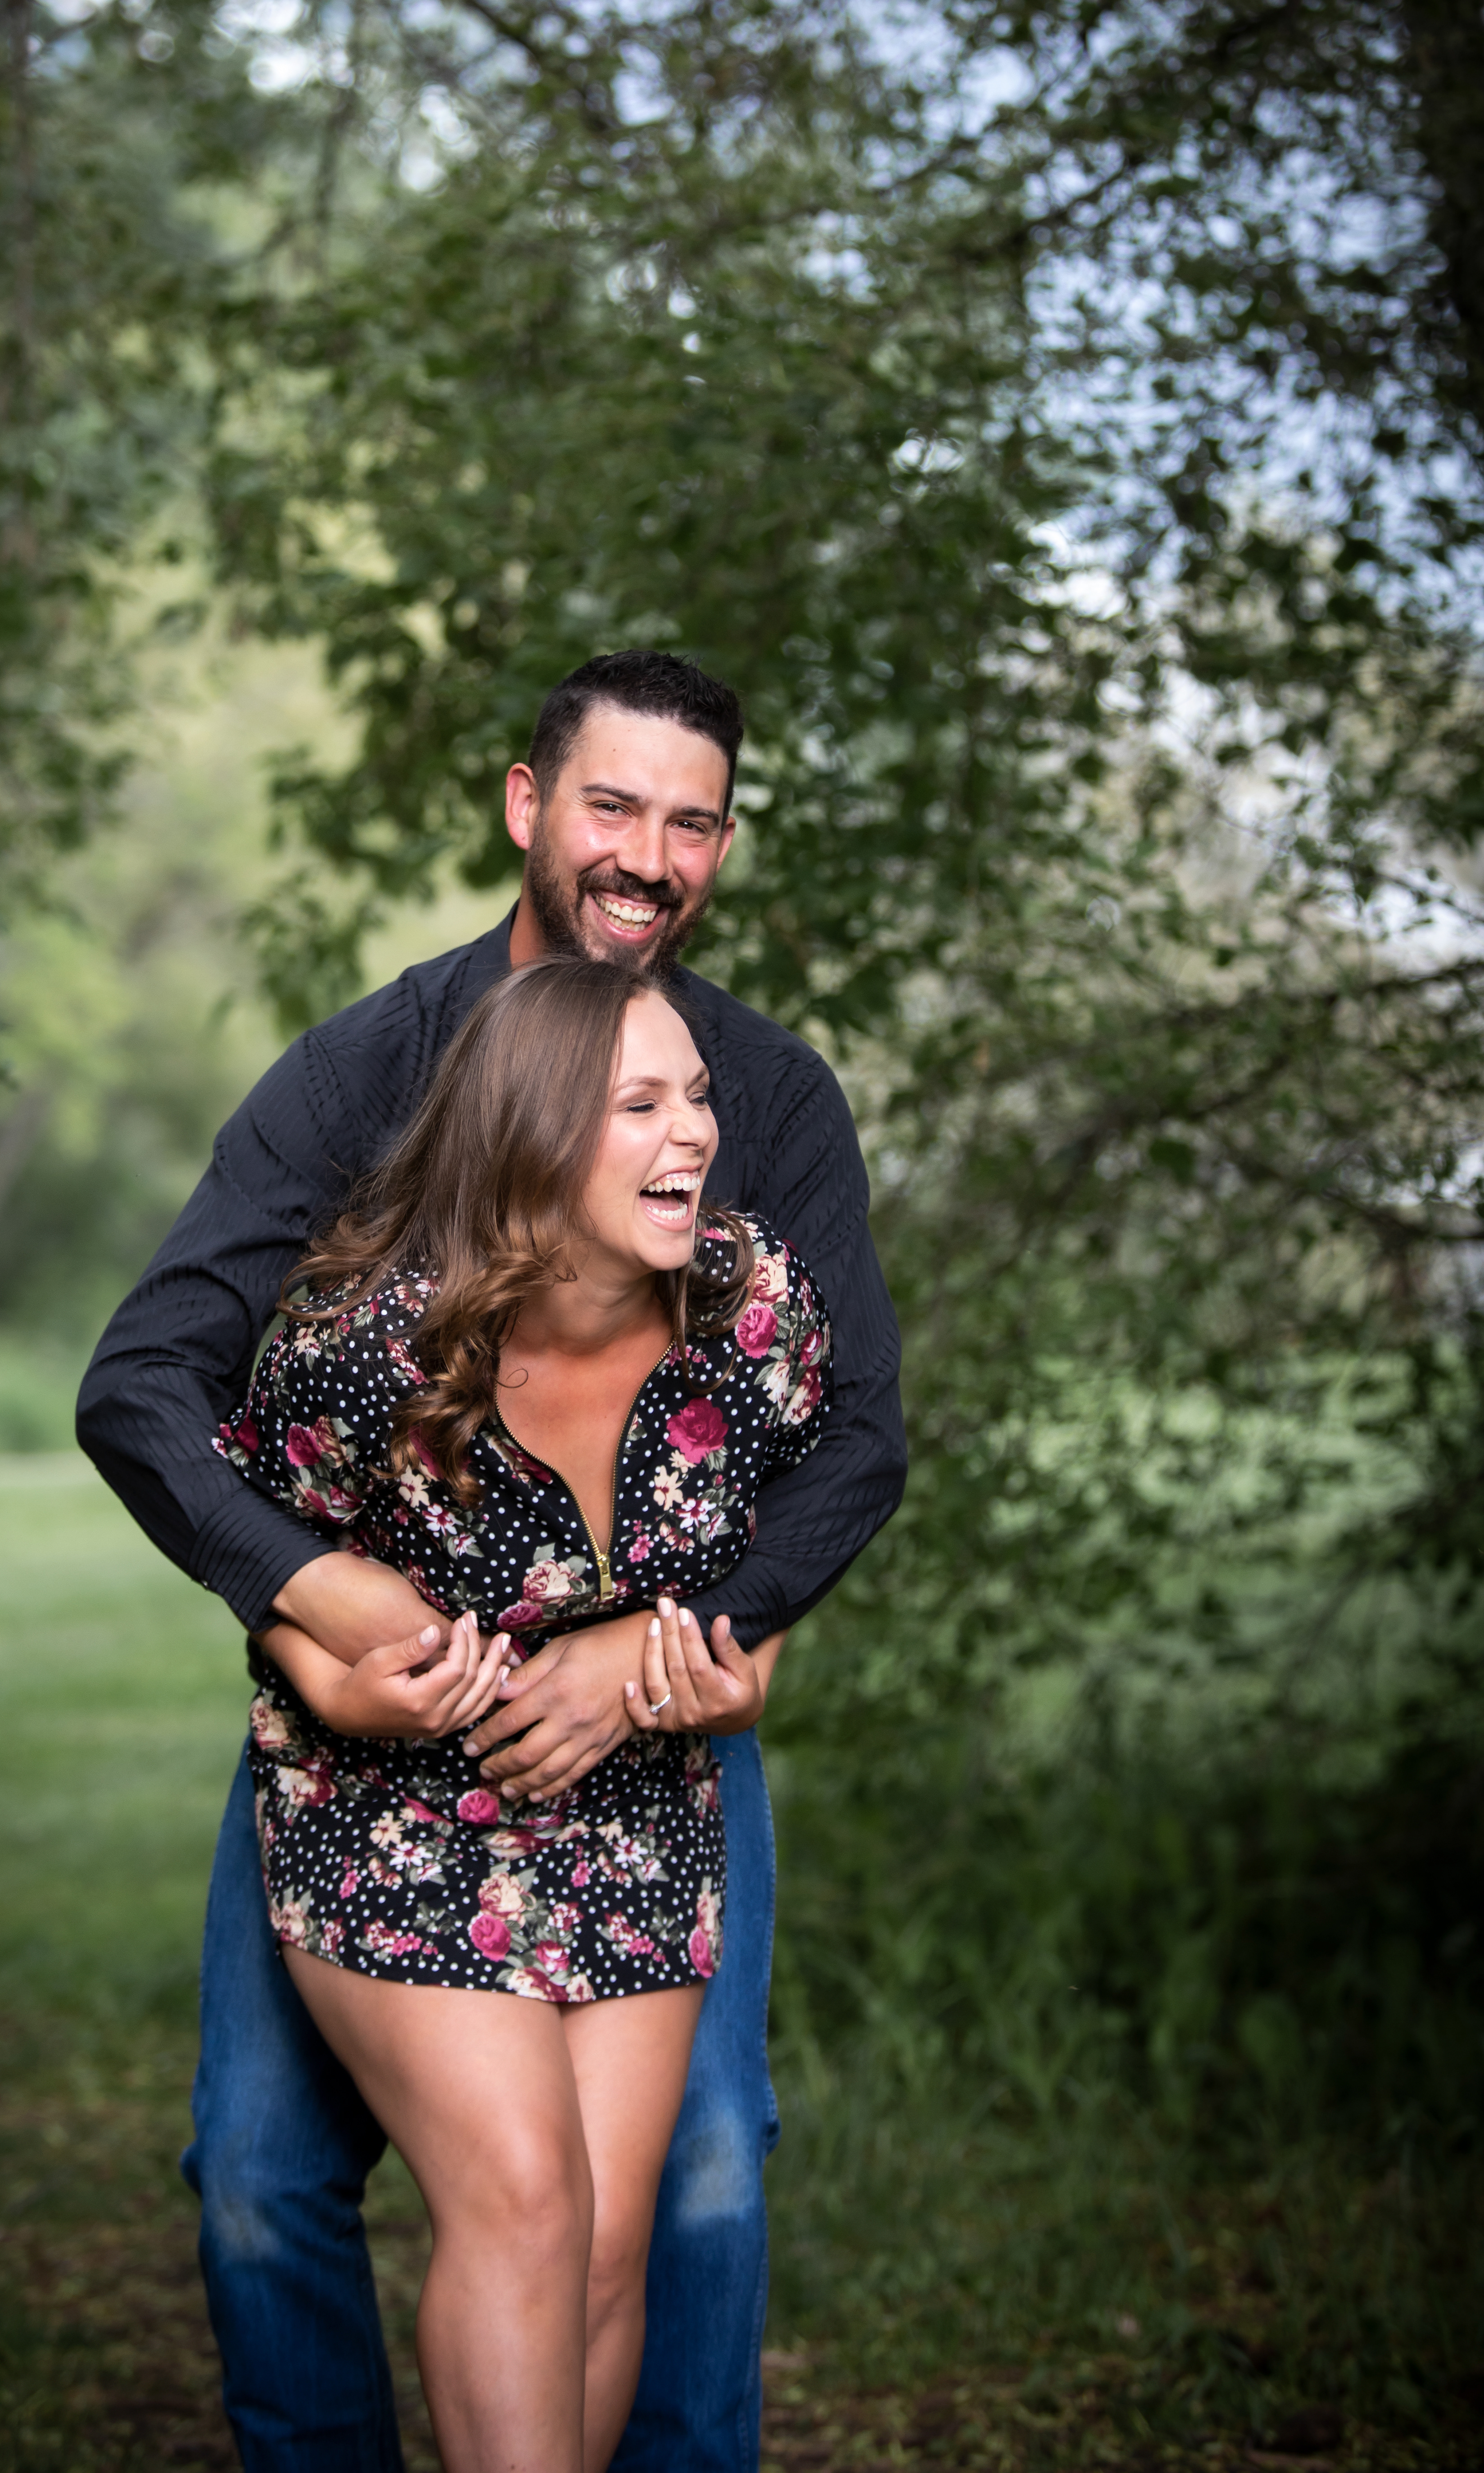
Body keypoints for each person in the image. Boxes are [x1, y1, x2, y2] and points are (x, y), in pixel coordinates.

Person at [77, 648, 906, 2472]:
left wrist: (707, 1627)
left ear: (723, 850)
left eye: (691, 822)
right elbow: (148, 1383)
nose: (648, 854)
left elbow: (852, 1433)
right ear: (529, 806)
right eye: (613, 804)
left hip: (649, 1737)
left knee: (690, 2168)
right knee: (256, 2170)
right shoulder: (372, 1071)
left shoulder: (763, 1093)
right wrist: (309, 1597)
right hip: (390, 1728)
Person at [222, 955, 830, 2471]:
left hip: (635, 1806)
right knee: (526, 2192)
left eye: (696, 1095)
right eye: (640, 1104)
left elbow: (782, 1555)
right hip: (393, 1808)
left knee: (612, 2240)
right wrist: (325, 1670)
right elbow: (263, 1559)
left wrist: (735, 1668)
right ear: (533, 1133)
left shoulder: (750, 1313)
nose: (692, 1132)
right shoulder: (369, 1341)